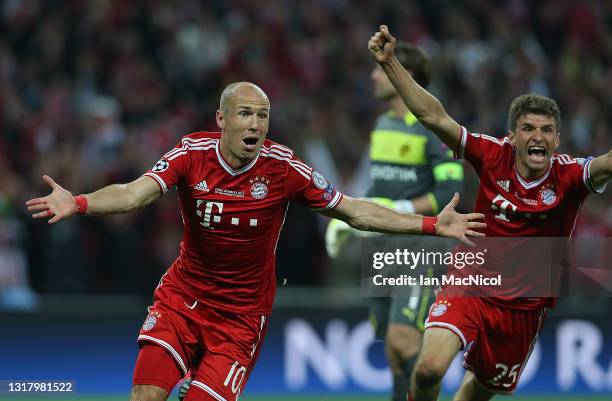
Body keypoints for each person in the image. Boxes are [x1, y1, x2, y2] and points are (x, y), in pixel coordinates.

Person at [26, 82, 486, 401]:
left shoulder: (285, 168)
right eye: (245, 114)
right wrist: (79, 203)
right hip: (182, 300)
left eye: (262, 115)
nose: (255, 124)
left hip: (241, 319)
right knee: (145, 394)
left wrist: (432, 226)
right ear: (222, 119)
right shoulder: (191, 154)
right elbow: (132, 194)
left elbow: (354, 209)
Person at [368, 26, 612, 401]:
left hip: (526, 305)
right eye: (528, 128)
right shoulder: (492, 154)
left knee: (479, 392)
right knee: (430, 368)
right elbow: (435, 118)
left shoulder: (570, 176)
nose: (538, 137)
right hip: (471, 280)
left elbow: (607, 164)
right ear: (512, 137)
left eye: (547, 130)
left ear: (557, 139)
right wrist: (391, 64)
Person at [325, 42, 463, 401]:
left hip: (420, 248)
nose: (373, 75)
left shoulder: (434, 126)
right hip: (382, 246)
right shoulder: (383, 124)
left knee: (405, 342)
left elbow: (450, 191)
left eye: (380, 69)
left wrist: (399, 206)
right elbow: (377, 184)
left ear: (406, 76)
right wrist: (353, 217)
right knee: (391, 348)